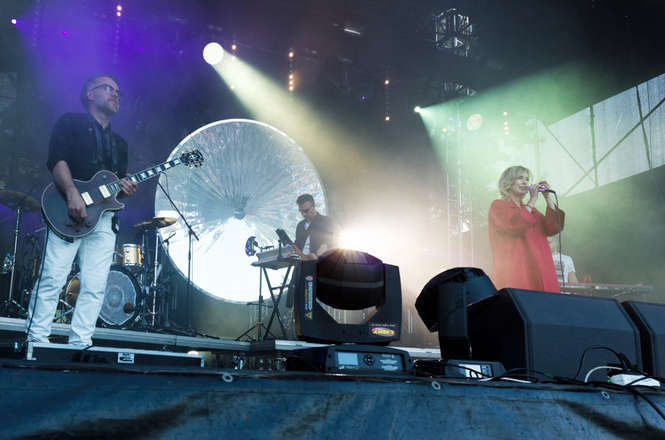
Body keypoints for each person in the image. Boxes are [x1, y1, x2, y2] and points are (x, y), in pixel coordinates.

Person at [25, 75, 137, 346]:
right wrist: (72, 193)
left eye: (118, 91)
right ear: (90, 93)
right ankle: (36, 341)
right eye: (108, 88)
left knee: (95, 285)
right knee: (52, 277)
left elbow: (114, 189)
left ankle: (81, 343)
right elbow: (57, 161)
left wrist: (125, 188)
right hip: (67, 211)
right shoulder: (70, 123)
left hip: (103, 219)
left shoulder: (120, 143)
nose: (115, 94)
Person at [488, 165, 565, 293]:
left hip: (542, 275)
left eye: (527, 179)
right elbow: (514, 226)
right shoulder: (498, 206)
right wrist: (532, 199)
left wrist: (547, 197)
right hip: (519, 274)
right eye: (520, 178)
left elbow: (553, 227)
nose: (525, 182)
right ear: (508, 182)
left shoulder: (533, 211)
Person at [293, 194, 338, 261]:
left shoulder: (327, 221)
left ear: (313, 207)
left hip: (321, 262)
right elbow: (297, 245)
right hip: (301, 263)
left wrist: (320, 252)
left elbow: (334, 241)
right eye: (301, 211)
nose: (303, 214)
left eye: (306, 211)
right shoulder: (300, 225)